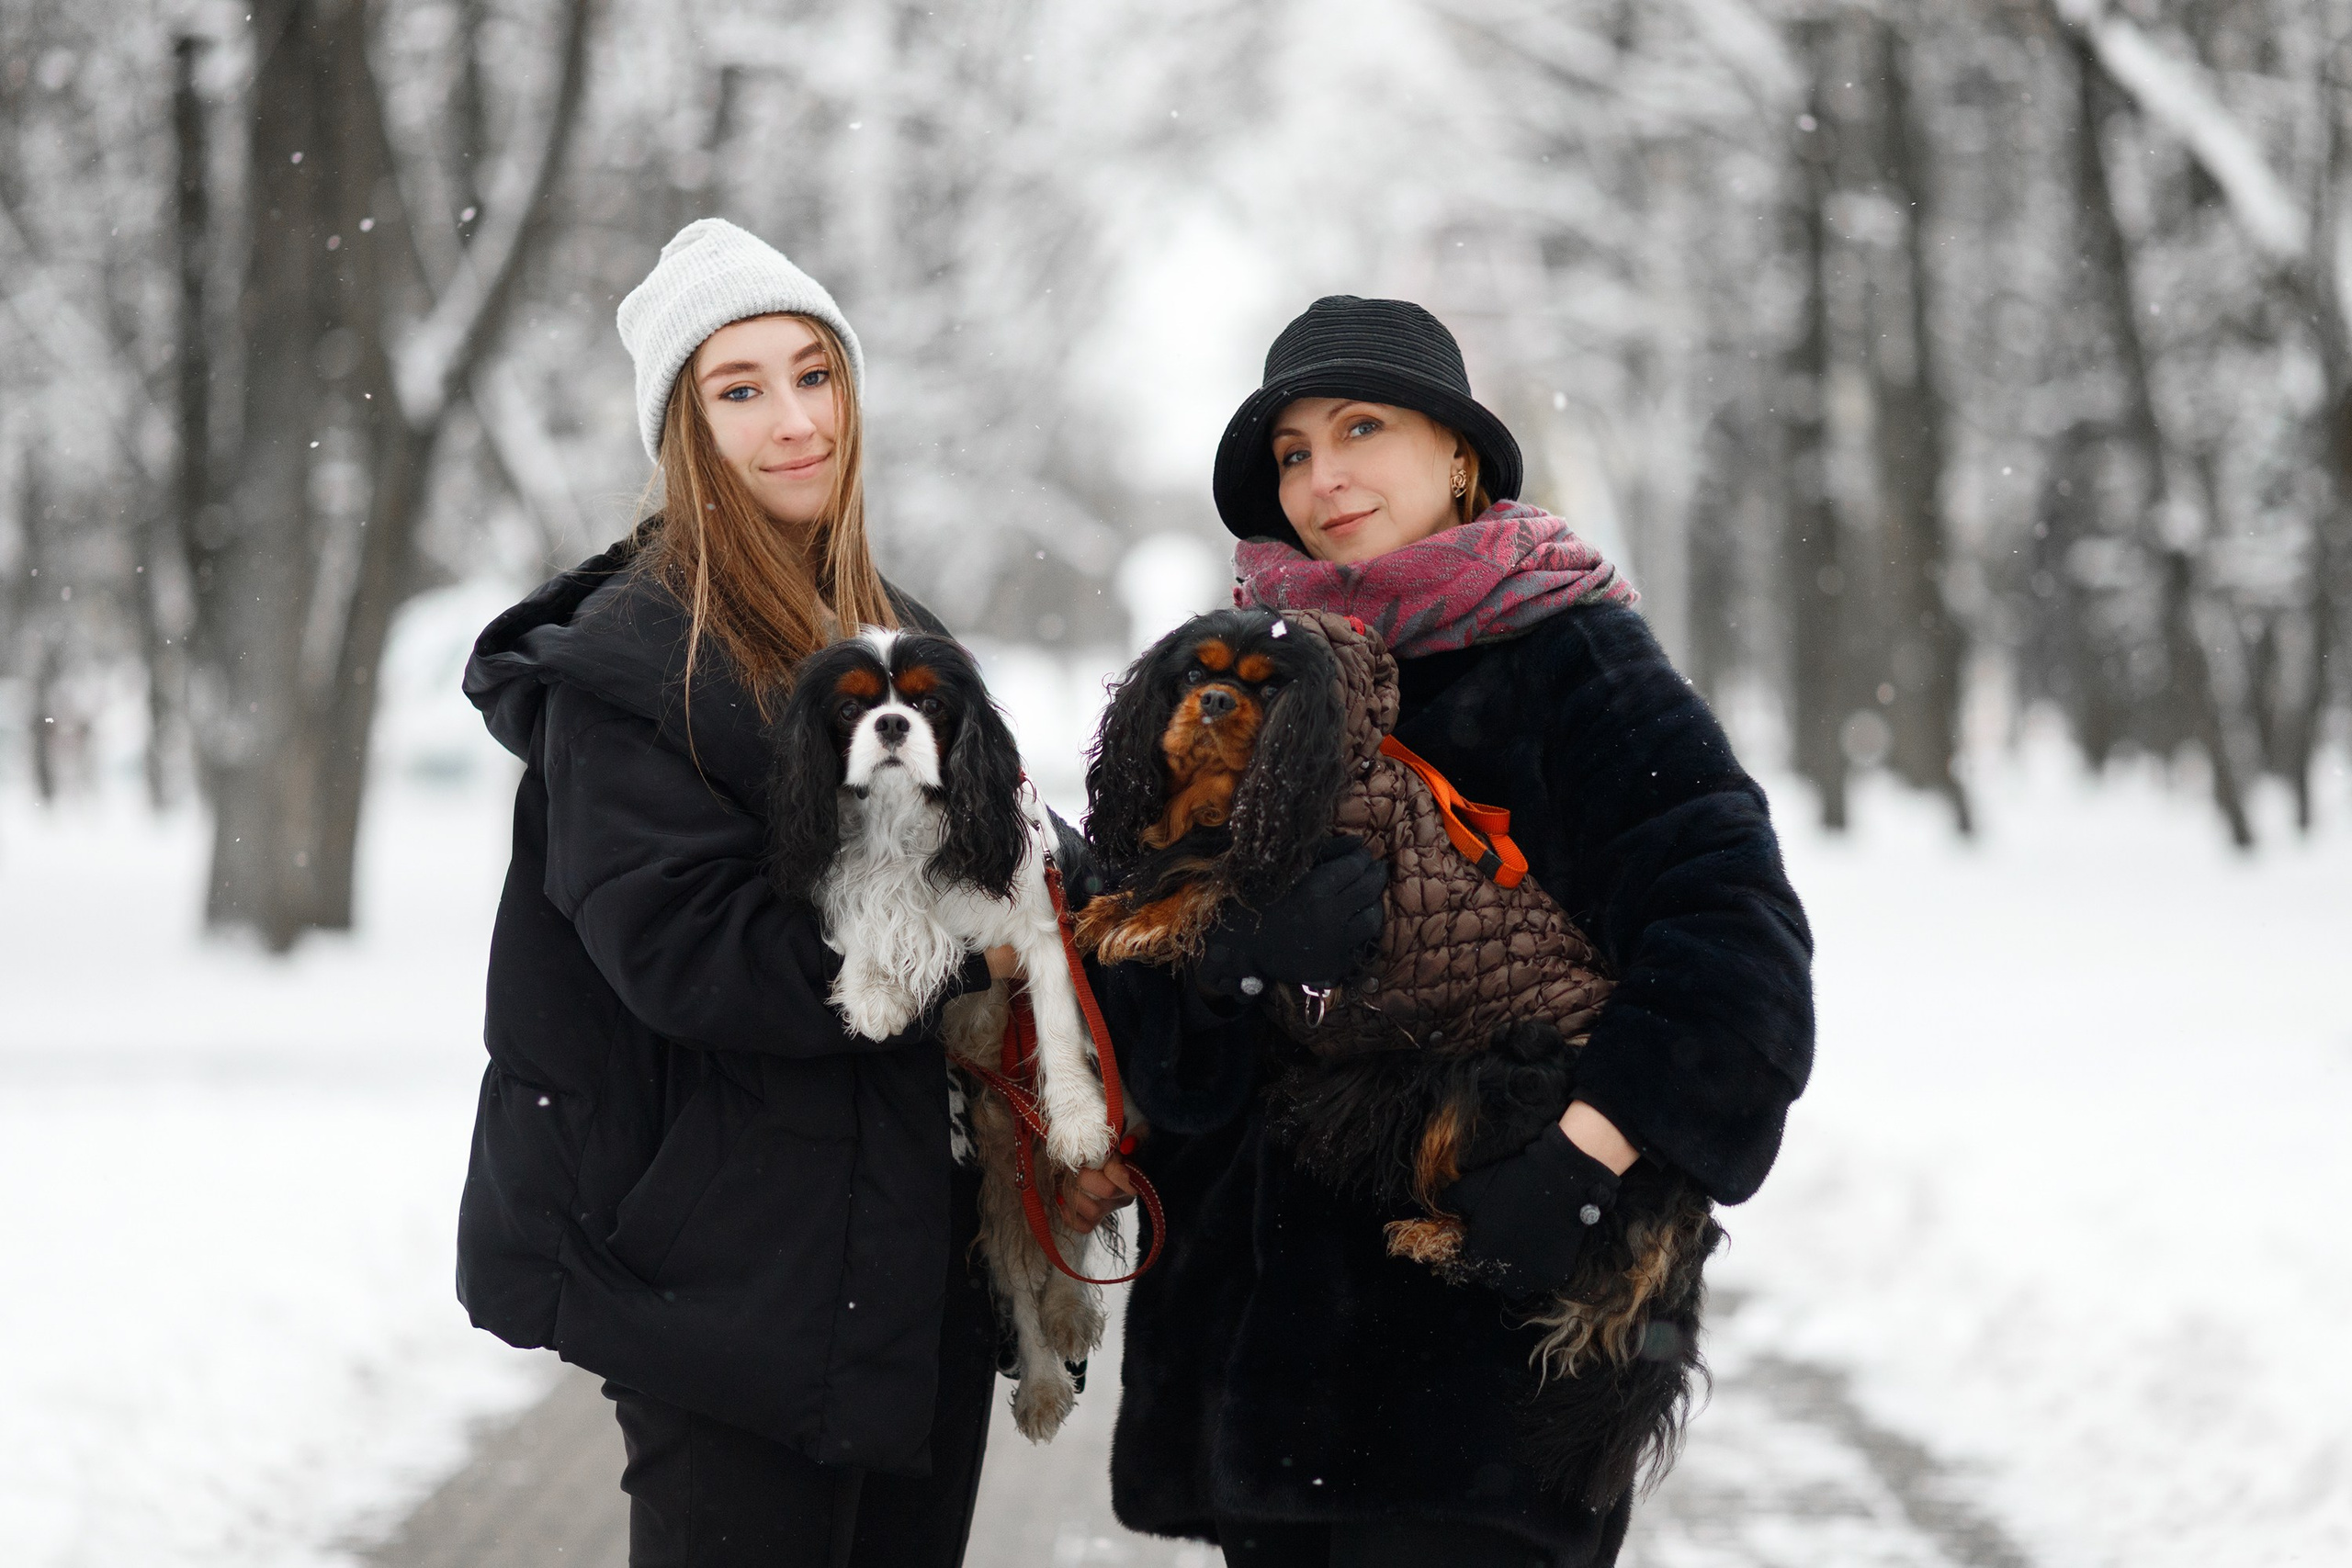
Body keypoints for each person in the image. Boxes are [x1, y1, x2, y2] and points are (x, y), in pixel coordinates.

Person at [454, 219, 1132, 1568]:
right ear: (684, 434)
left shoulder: (888, 627)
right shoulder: (633, 668)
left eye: (814, 376)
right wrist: (977, 960)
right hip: (732, 1282)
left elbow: (1013, 846)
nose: (792, 421)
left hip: (911, 1263)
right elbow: (691, 951)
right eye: (739, 388)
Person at [1100, 296, 1815, 1567]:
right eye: (1294, 452)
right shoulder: (1233, 677)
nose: (1325, 477)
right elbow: (1160, 1051)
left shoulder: (1575, 659)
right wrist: (1235, 957)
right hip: (1263, 1374)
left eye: (1361, 428)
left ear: (1462, 455)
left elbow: (1739, 962)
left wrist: (1577, 1167)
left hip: (1479, 1365)